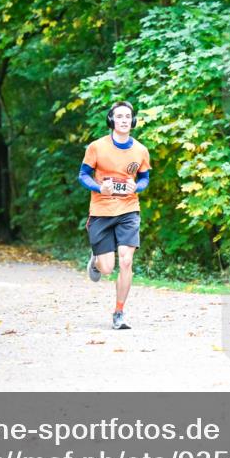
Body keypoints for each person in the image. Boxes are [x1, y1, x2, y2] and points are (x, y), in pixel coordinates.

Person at [78, 101, 151, 330]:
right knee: (108, 268)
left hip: (129, 210)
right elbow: (83, 176)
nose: (123, 120)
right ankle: (97, 261)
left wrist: (136, 188)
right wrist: (100, 188)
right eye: (119, 116)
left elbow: (145, 178)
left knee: (127, 260)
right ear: (111, 120)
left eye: (127, 116)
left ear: (133, 121)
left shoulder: (140, 150)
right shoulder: (96, 147)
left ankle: (119, 312)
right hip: (101, 211)